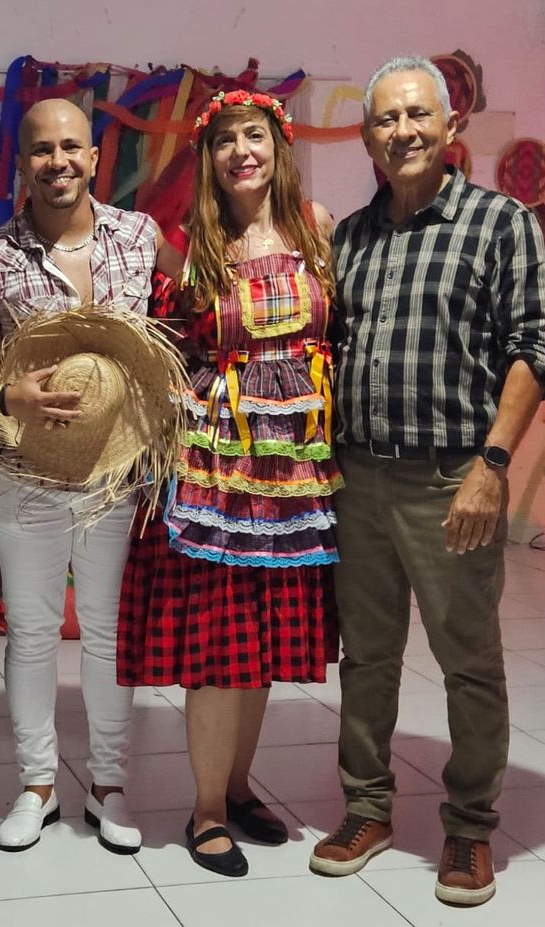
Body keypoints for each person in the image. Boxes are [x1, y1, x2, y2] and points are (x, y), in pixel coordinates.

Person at [310, 57, 545, 907]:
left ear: (451, 127)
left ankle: (470, 824)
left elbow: (535, 349)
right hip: (359, 477)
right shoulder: (349, 237)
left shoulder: (500, 223)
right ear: (367, 136)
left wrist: (492, 467)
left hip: (454, 477)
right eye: (385, 119)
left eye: (418, 115)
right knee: (367, 656)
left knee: (467, 660)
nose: (402, 131)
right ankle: (368, 808)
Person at [0, 98, 171, 855]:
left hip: (116, 475)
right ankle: (36, 784)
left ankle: (107, 784)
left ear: (95, 157)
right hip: (27, 473)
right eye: (41, 150)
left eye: (71, 147)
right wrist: (5, 394)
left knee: (106, 632)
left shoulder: (141, 235)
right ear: (20, 164)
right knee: (31, 633)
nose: (57, 161)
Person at [118, 89, 339, 877]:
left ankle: (241, 789)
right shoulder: (191, 246)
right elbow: (162, 353)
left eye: (255, 136)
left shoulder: (319, 229)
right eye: (225, 141)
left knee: (267, 639)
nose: (241, 150)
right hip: (217, 468)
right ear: (207, 159)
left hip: (297, 470)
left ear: (279, 147)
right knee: (218, 644)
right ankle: (205, 808)